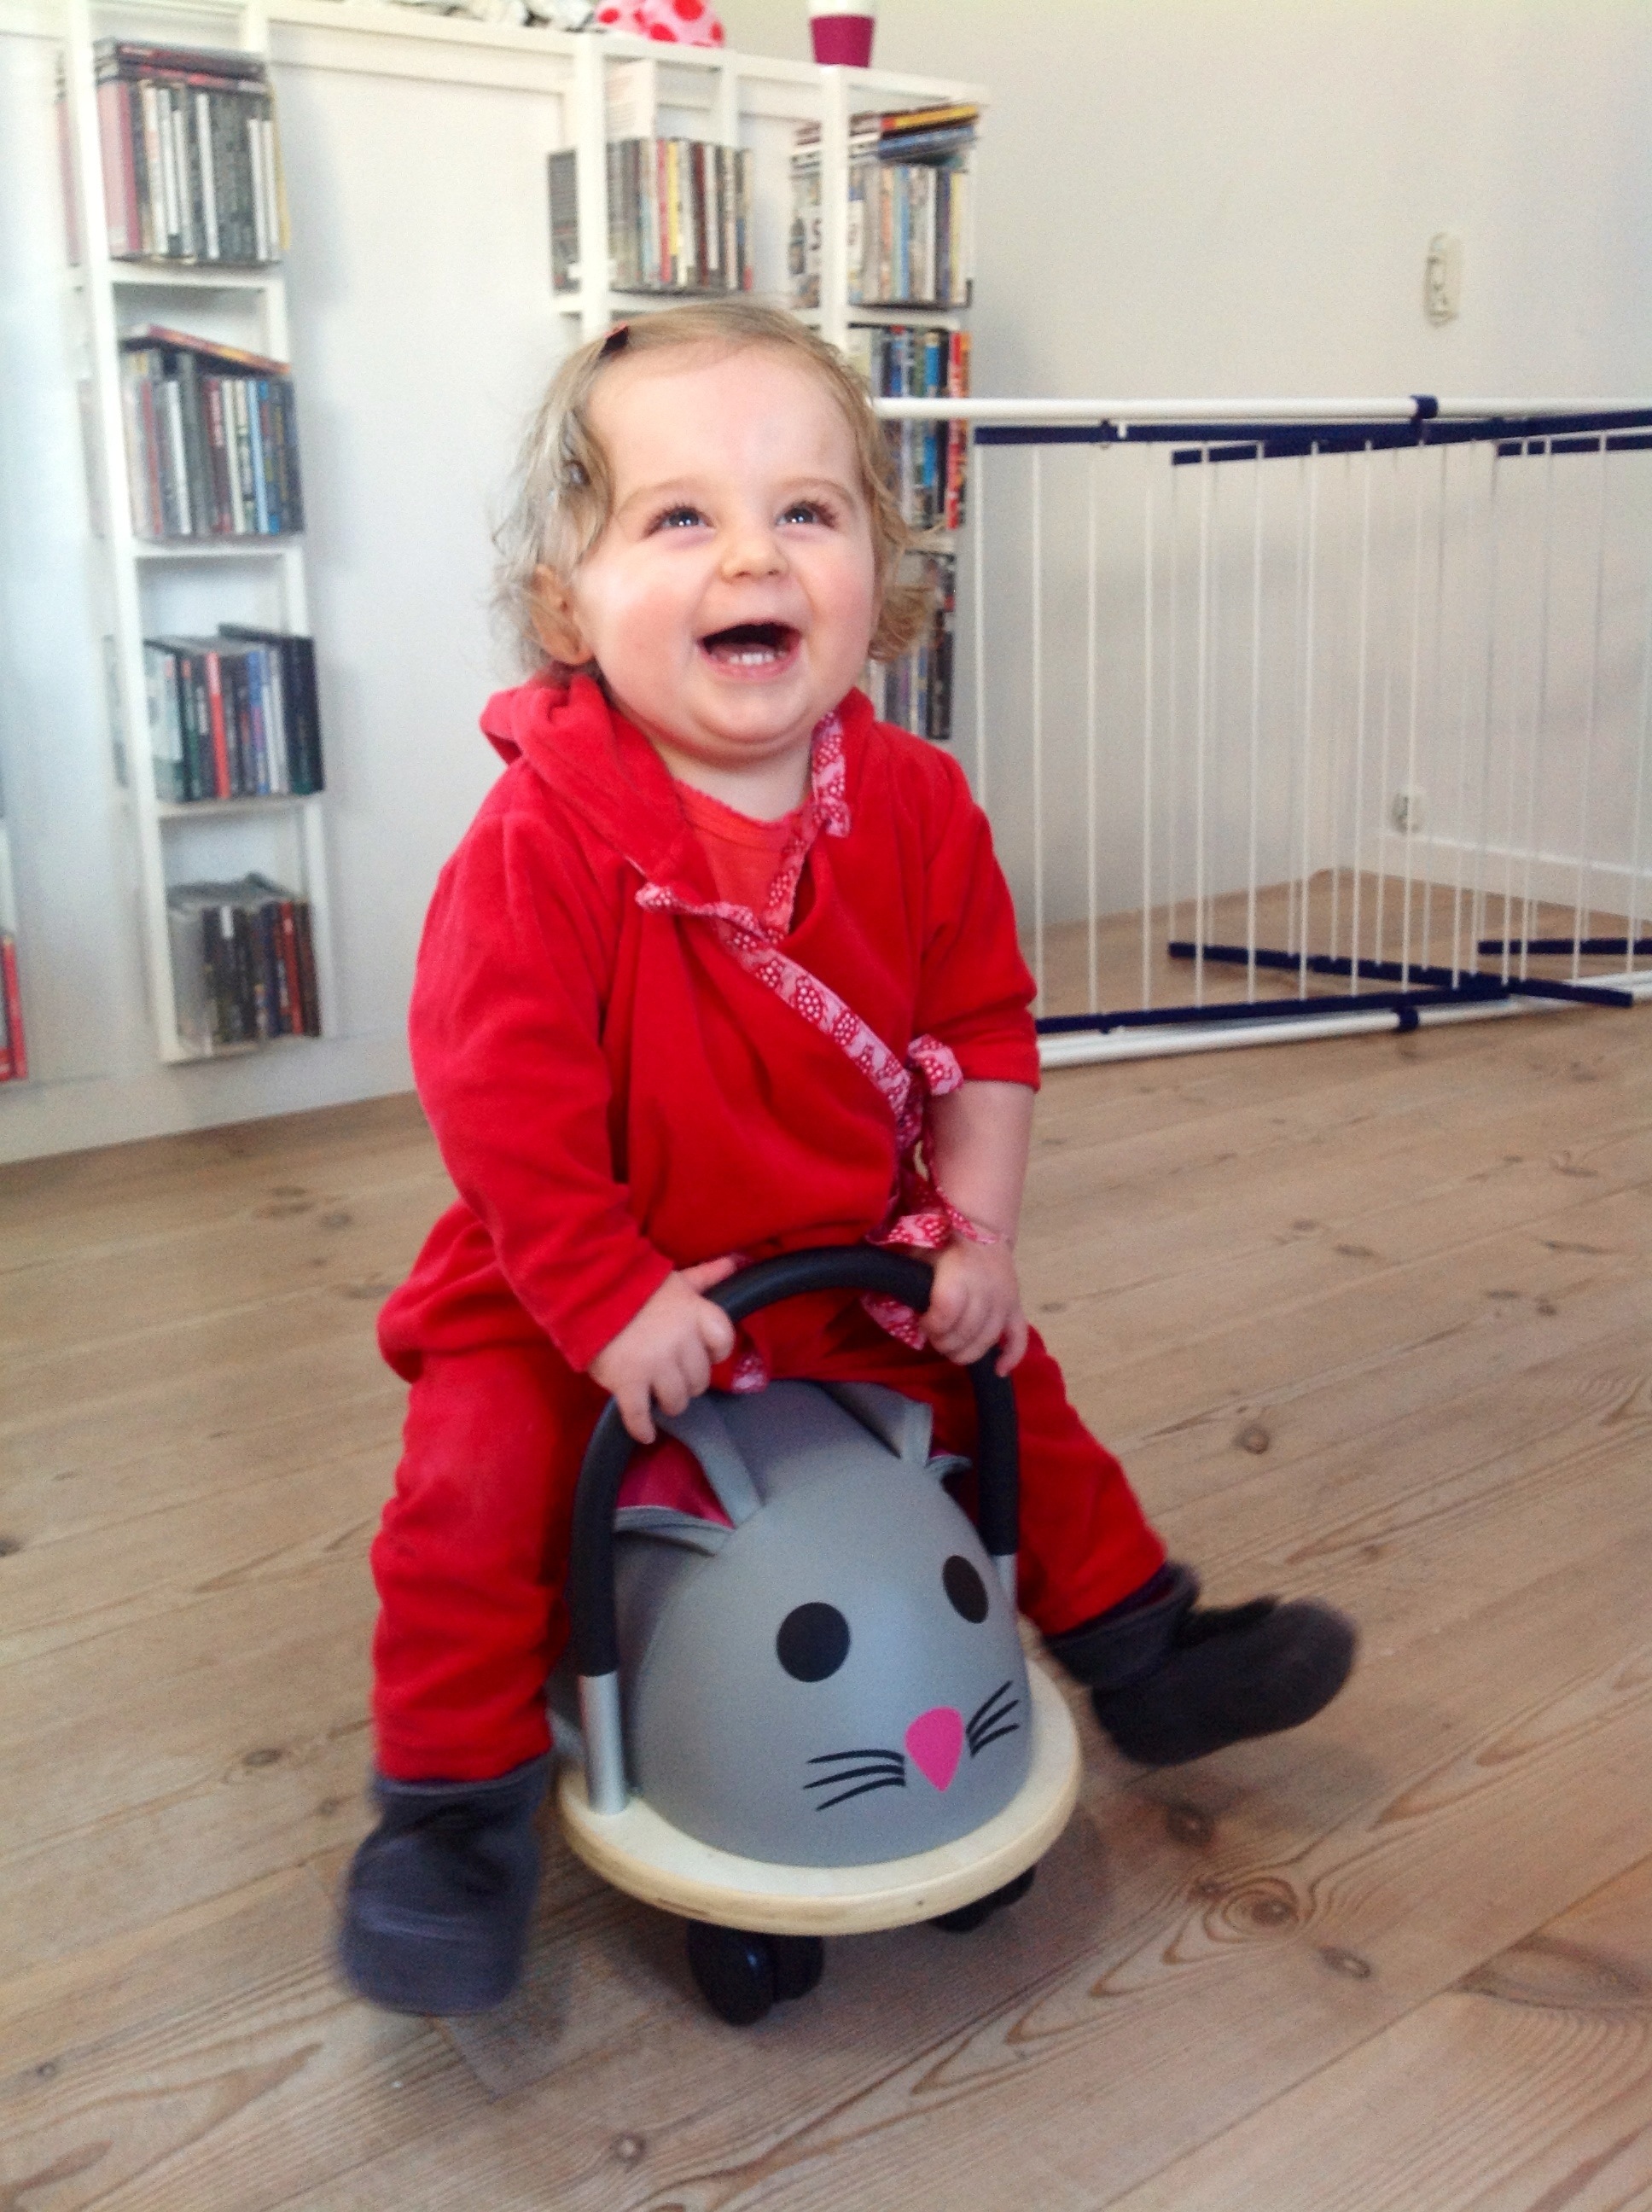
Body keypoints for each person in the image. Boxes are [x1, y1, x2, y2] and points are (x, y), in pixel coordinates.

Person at [339, 303, 1354, 2016]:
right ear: (565, 601)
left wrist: (973, 1235)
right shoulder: (541, 840)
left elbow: (984, 1031)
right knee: (470, 1491)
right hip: (577, 1276)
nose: (753, 553)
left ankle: (1141, 1651)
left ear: (879, 576)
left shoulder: (919, 806)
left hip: (838, 1256)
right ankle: (448, 1815)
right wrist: (604, 1300)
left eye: (805, 511)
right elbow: (499, 1102)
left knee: (1014, 1397)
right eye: (679, 516)